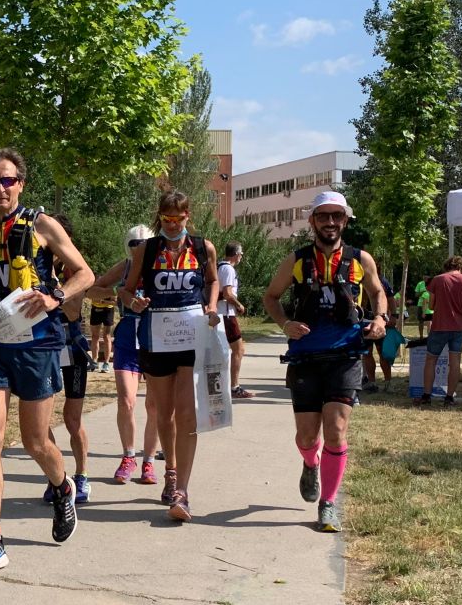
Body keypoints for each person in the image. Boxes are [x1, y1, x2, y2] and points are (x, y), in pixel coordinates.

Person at [0, 149, 92, 575]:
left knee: (35, 442)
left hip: (38, 345)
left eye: (7, 180)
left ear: (21, 184)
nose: (1, 188)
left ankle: (62, 484)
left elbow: (83, 273)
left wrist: (54, 297)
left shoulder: (41, 225)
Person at [262, 191, 388, 533]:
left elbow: (378, 292)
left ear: (345, 220)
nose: (330, 222)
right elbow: (270, 297)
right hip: (305, 357)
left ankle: (328, 503)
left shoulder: (361, 258)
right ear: (312, 221)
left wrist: (381, 318)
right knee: (306, 437)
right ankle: (310, 463)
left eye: (336, 216)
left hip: (346, 356)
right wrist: (284, 324)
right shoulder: (297, 260)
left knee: (335, 431)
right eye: (323, 216)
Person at [119, 190, 221, 522]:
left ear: (189, 215)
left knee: (187, 414)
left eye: (179, 219)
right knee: (165, 414)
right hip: (156, 337)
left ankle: (183, 491)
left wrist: (212, 305)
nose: (173, 225)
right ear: (160, 217)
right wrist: (133, 302)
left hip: (190, 336)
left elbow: (213, 280)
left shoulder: (203, 247)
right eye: (167, 219)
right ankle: (171, 471)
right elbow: (126, 289)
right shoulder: (146, 250)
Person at [88, 226, 162, 486]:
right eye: (134, 243)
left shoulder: (162, 267)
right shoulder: (126, 266)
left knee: (154, 406)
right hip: (128, 337)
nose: (138, 247)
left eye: (144, 242)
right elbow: (92, 290)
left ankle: (149, 461)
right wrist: (118, 292)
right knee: (126, 401)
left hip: (156, 338)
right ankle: (129, 456)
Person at [42, 213, 93, 505]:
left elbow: (73, 311)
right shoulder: (36, 266)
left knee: (72, 419)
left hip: (71, 348)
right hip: (43, 350)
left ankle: (82, 475)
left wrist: (55, 287)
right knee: (41, 420)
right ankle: (57, 476)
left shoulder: (75, 269)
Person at [417, 256, 462, 407]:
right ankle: (449, 397)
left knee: (431, 360)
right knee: (455, 362)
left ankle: (426, 395)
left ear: (446, 266)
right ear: (461, 267)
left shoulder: (437, 280)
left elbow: (431, 304)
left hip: (439, 326)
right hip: (458, 327)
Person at [218, 241, 254, 399]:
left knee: (221, 351)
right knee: (238, 350)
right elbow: (227, 293)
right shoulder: (228, 269)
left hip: (220, 314)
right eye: (241, 254)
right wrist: (239, 305)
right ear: (236, 254)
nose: (241, 257)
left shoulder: (219, 266)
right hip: (226, 314)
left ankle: (223, 384)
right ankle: (234, 387)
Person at [361, 273, 397, 394]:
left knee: (383, 353)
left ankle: (388, 382)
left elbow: (391, 299)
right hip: (363, 322)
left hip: (381, 322)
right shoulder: (357, 278)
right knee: (367, 353)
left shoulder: (383, 281)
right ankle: (371, 382)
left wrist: (394, 316)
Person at [88, 293, 115, 373]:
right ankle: (94, 361)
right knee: (94, 336)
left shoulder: (111, 283)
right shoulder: (95, 281)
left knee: (106, 336)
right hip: (95, 309)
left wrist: (103, 301)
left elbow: (114, 301)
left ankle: (106, 363)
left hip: (108, 310)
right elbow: (90, 295)